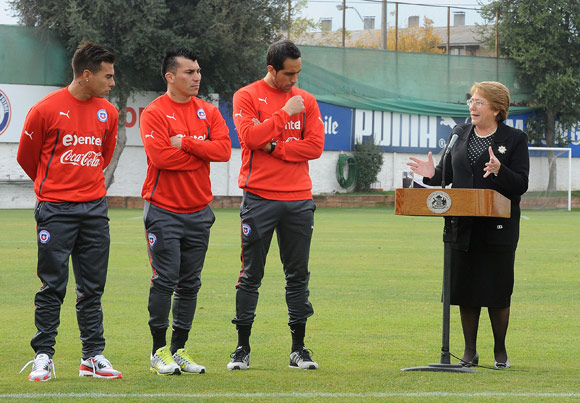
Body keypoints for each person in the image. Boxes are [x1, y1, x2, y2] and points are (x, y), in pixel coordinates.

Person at [17, 41, 122, 381]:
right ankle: (44, 356)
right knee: (52, 286)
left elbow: (103, 157)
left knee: (92, 288)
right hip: (56, 210)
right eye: (108, 76)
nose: (113, 82)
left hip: (95, 210)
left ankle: (92, 356)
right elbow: (27, 158)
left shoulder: (108, 113)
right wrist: (55, 189)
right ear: (86, 75)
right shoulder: (45, 110)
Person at [407, 81, 529, 370]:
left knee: (497, 290)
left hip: (498, 228)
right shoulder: (459, 134)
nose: (472, 106)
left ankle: (500, 350)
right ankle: (469, 351)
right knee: (465, 289)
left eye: (479, 102)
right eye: (471, 101)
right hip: (461, 225)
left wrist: (500, 170)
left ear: (497, 109)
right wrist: (431, 174)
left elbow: (521, 183)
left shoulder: (515, 139)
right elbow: (446, 175)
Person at [227, 39, 325, 371]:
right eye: (288, 74)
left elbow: (314, 147)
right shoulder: (246, 96)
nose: (294, 80)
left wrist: (276, 148)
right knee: (250, 274)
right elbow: (250, 138)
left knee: (298, 276)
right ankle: (242, 348)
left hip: (299, 200)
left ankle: (299, 350)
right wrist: (284, 114)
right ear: (272, 69)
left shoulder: (307, 100)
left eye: (298, 73)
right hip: (259, 199)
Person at [140, 48, 231, 375]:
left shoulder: (209, 111)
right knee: (165, 281)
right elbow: (161, 158)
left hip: (199, 211)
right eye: (189, 72)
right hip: (163, 211)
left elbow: (224, 150)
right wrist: (202, 153)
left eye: (198, 71)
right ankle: (158, 351)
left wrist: (188, 144)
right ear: (170, 76)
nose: (197, 77)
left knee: (190, 284)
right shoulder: (154, 112)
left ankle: (178, 350)